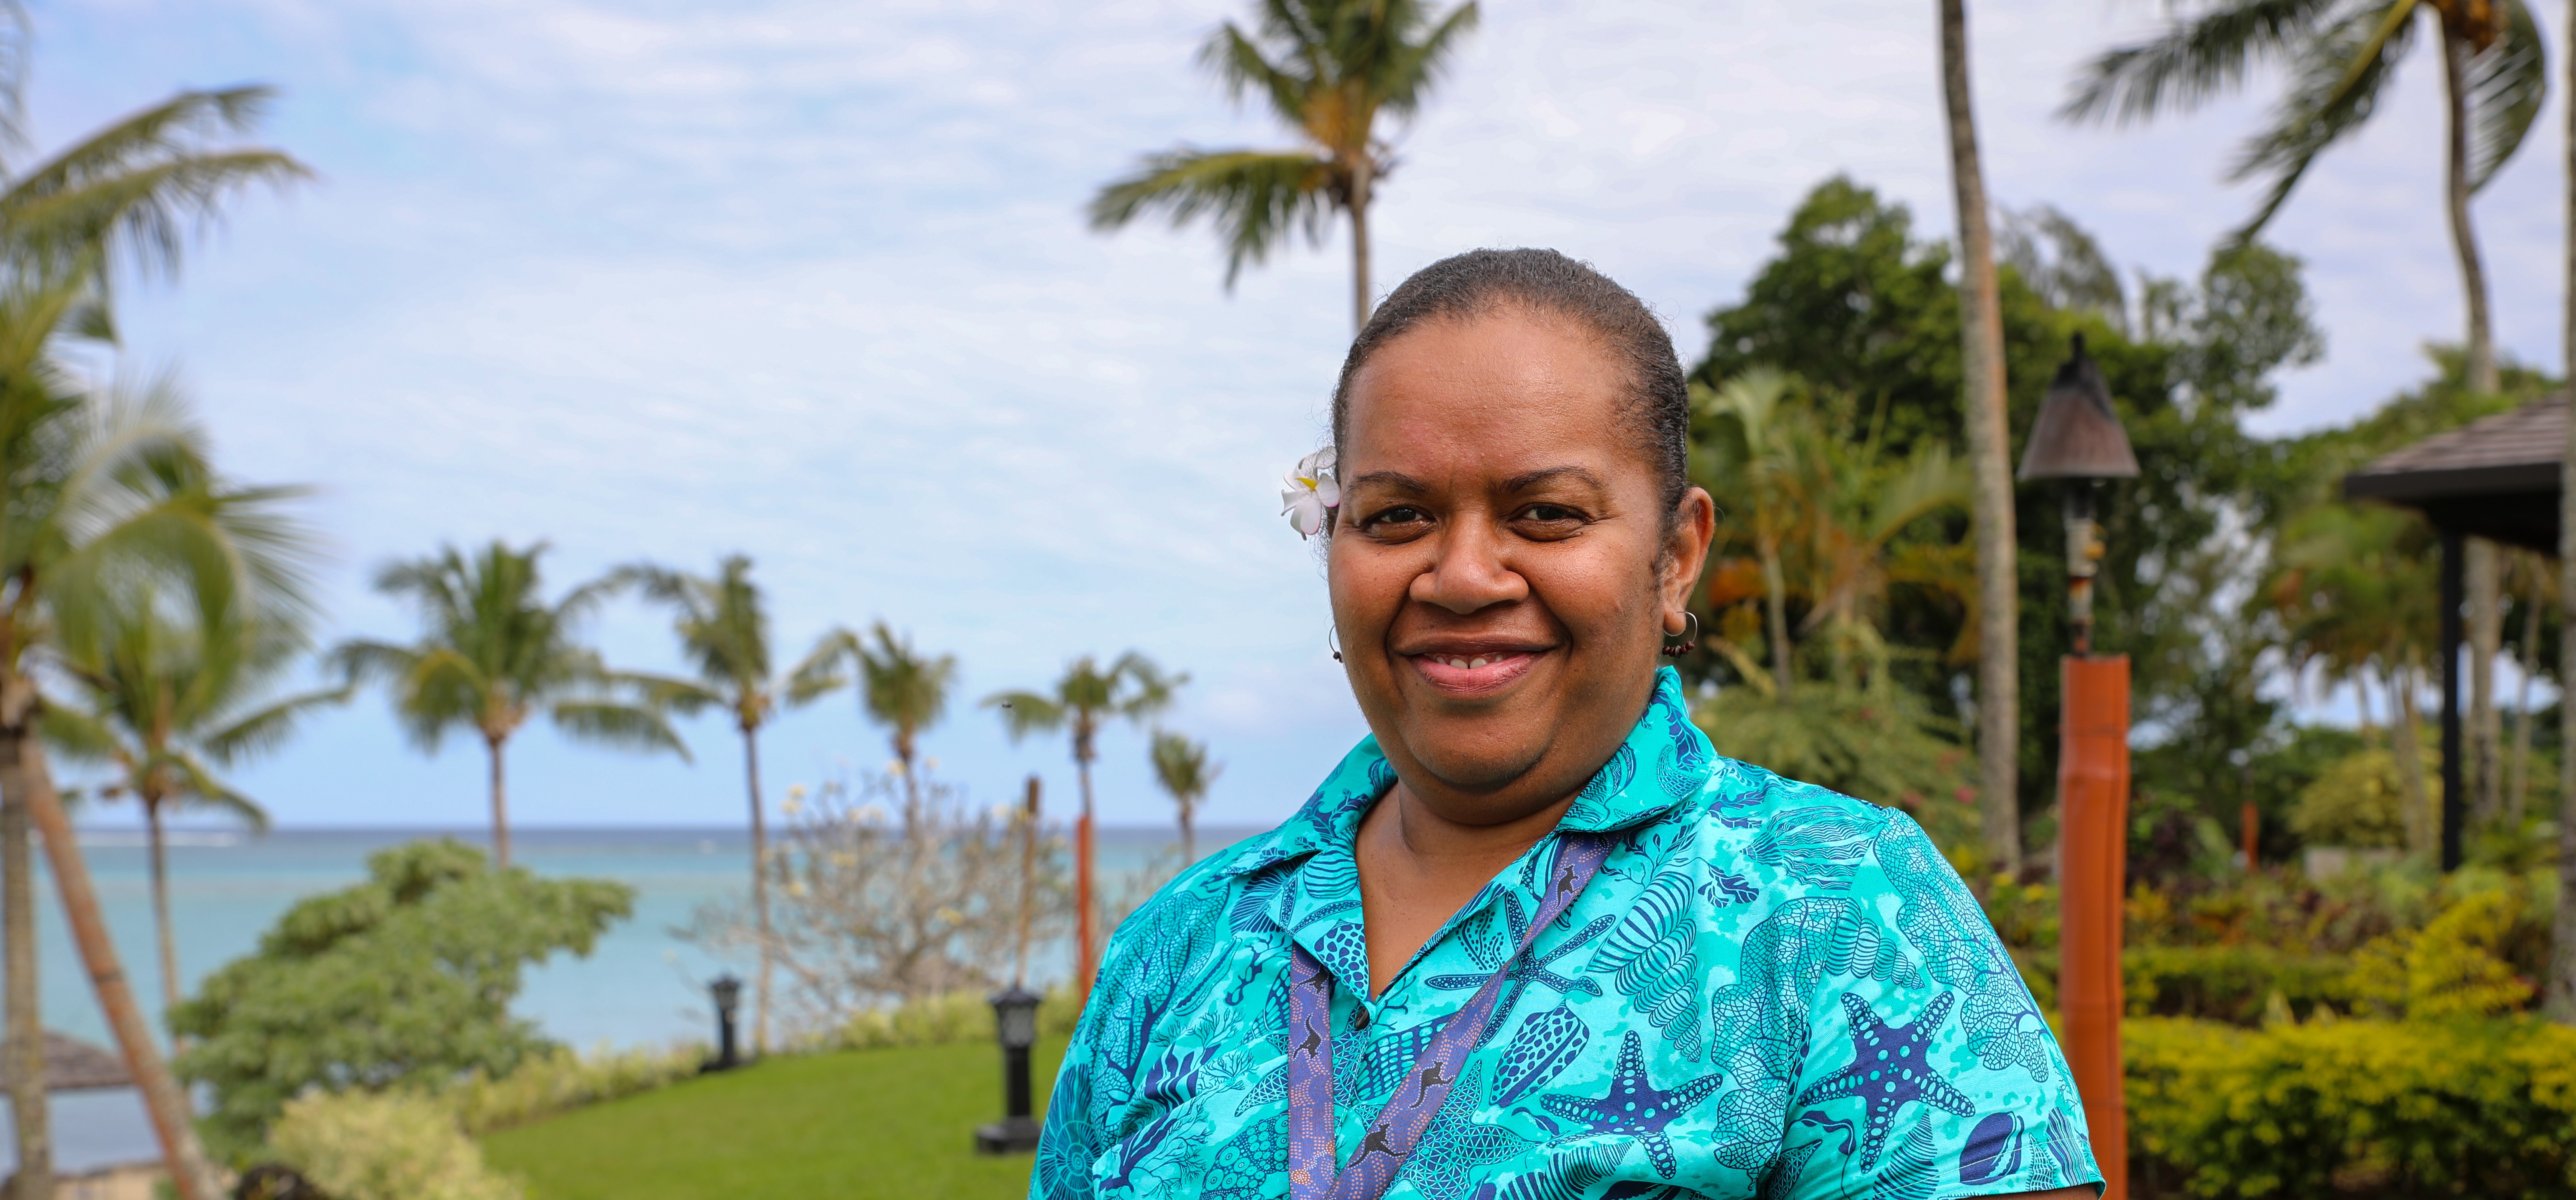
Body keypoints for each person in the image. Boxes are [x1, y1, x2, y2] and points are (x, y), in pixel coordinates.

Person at [1031, 249, 2101, 1200]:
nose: (1462, 575)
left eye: (1546, 513)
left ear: (1675, 556)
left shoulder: (1838, 907)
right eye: (1398, 516)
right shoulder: (1183, 943)